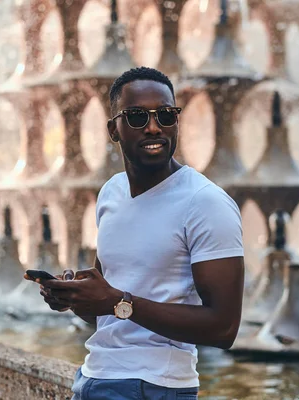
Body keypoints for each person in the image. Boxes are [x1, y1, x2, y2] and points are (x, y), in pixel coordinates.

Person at [39, 67, 245, 400]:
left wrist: (119, 302)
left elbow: (224, 327)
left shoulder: (205, 203)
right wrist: (76, 298)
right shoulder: (111, 193)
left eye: (166, 115)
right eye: (136, 116)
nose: (153, 127)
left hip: (155, 387)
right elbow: (108, 304)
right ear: (113, 130)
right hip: (93, 376)